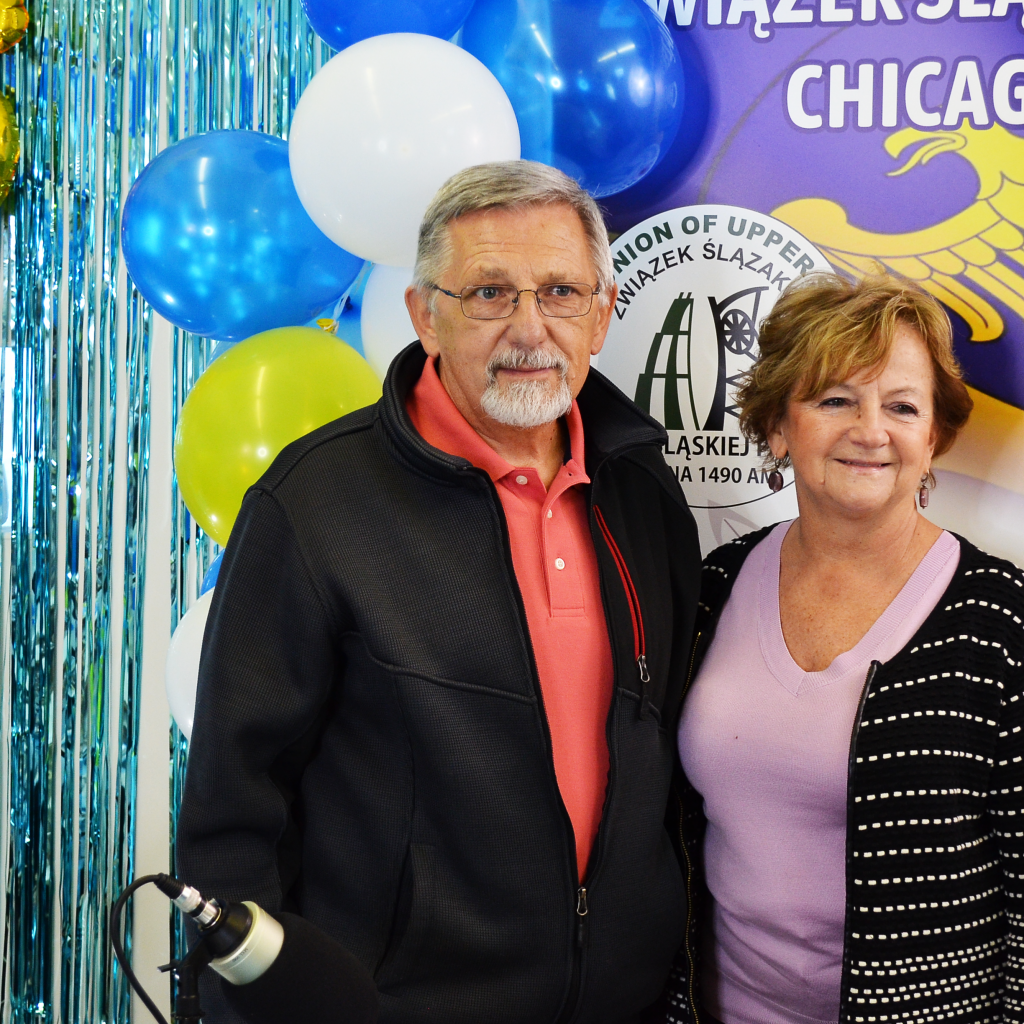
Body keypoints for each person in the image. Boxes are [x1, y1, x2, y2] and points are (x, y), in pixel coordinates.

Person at [176, 160, 701, 1024]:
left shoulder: (645, 494)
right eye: (489, 293)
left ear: (603, 313)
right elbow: (233, 811)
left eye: (561, 292)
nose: (530, 327)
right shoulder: (317, 503)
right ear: (425, 314)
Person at [663, 272, 1024, 1024]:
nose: (870, 430)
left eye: (902, 406)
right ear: (777, 427)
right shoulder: (713, 586)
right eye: (835, 400)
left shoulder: (1001, 620)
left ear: (933, 439)